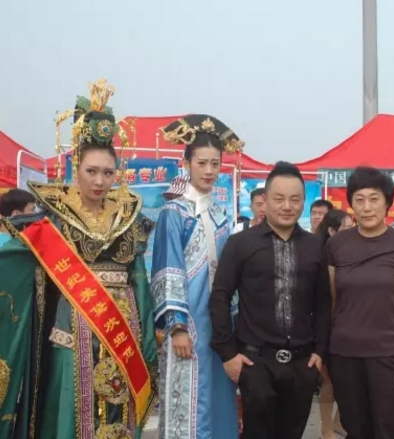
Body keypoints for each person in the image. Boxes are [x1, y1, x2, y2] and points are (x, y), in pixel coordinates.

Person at [0, 79, 158, 439]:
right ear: (75, 167)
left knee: (118, 417)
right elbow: (14, 262)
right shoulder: (53, 221)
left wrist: (147, 338)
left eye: (108, 173)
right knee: (71, 417)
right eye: (91, 171)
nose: (100, 181)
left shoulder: (130, 221)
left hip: (122, 337)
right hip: (71, 338)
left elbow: (139, 281)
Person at [210, 161, 332, 439]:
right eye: (279, 199)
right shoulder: (241, 243)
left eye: (295, 199)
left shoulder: (314, 246)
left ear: (303, 201)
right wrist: (228, 353)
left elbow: (323, 302)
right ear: (265, 200)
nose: (287, 206)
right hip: (255, 363)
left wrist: (320, 352)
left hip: (302, 364)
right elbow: (220, 296)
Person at [150, 114, 245, 439]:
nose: (209, 171)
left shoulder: (220, 214)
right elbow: (168, 271)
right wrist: (176, 326)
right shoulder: (174, 212)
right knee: (189, 400)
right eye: (202, 163)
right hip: (189, 323)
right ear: (186, 163)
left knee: (219, 398)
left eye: (215, 164)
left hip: (218, 325)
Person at [326, 167, 394, 439]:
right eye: (359, 200)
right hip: (345, 355)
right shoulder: (336, 245)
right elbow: (332, 299)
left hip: (392, 354)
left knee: (389, 430)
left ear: (387, 203)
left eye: (374, 199)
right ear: (351, 204)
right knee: (355, 429)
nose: (367, 207)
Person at [314, 208, 353, 439]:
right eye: (346, 229)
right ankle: (326, 428)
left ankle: (338, 421)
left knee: (345, 380)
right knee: (328, 380)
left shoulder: (352, 252)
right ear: (331, 231)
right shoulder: (322, 255)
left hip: (348, 324)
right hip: (327, 324)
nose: (351, 232)